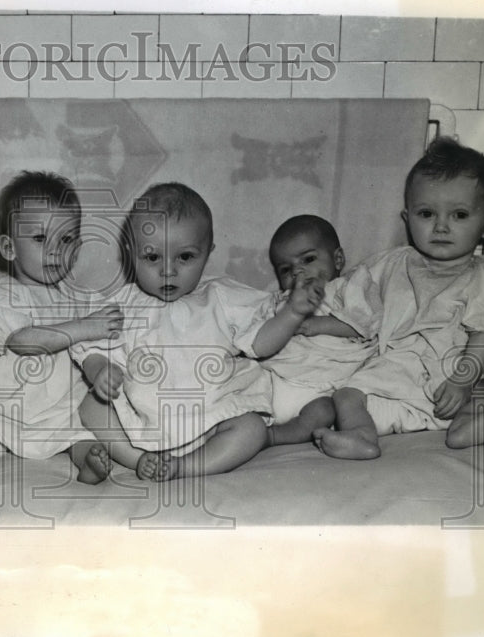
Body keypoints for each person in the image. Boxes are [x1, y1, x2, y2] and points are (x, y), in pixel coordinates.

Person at [74, 182, 323, 482]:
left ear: (207, 253)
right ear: (131, 253)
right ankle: (138, 459)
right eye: (152, 258)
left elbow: (261, 343)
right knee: (91, 407)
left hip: (212, 418)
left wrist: (292, 314)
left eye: (185, 257)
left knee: (252, 428)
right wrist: (100, 369)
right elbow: (92, 345)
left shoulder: (222, 296)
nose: (168, 270)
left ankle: (186, 467)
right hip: (142, 419)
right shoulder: (124, 304)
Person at [0, 172, 122, 483]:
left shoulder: (82, 300)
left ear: (79, 248)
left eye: (66, 239)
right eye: (41, 238)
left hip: (55, 409)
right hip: (1, 403)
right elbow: (23, 341)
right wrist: (86, 327)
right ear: (9, 248)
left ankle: (90, 462)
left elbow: (103, 341)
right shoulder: (5, 295)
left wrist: (103, 363)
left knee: (81, 433)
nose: (56, 250)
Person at [310, 137, 484, 459]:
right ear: (407, 217)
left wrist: (462, 381)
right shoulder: (395, 262)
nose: (441, 227)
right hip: (398, 369)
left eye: (459, 215)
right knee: (346, 395)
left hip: (453, 375)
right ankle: (361, 436)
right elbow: (352, 296)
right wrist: (310, 315)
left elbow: (483, 334)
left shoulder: (479, 274)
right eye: (427, 213)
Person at [261, 215, 374, 447]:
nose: (297, 272)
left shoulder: (346, 287)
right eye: (286, 269)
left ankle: (273, 437)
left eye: (308, 259)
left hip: (327, 383)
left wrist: (316, 325)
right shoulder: (282, 299)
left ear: (338, 259)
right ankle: (255, 431)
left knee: (324, 410)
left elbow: (362, 326)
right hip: (281, 378)